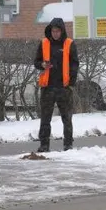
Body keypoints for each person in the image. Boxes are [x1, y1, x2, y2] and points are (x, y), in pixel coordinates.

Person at [35, 17, 79, 152]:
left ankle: (68, 144)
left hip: (64, 88)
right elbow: (36, 62)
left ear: (62, 31)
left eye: (57, 31)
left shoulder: (69, 44)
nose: (55, 34)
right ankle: (44, 145)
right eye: (53, 31)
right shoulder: (43, 44)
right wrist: (42, 64)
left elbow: (74, 64)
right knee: (45, 118)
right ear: (50, 31)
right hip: (47, 87)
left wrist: (70, 84)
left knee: (67, 118)